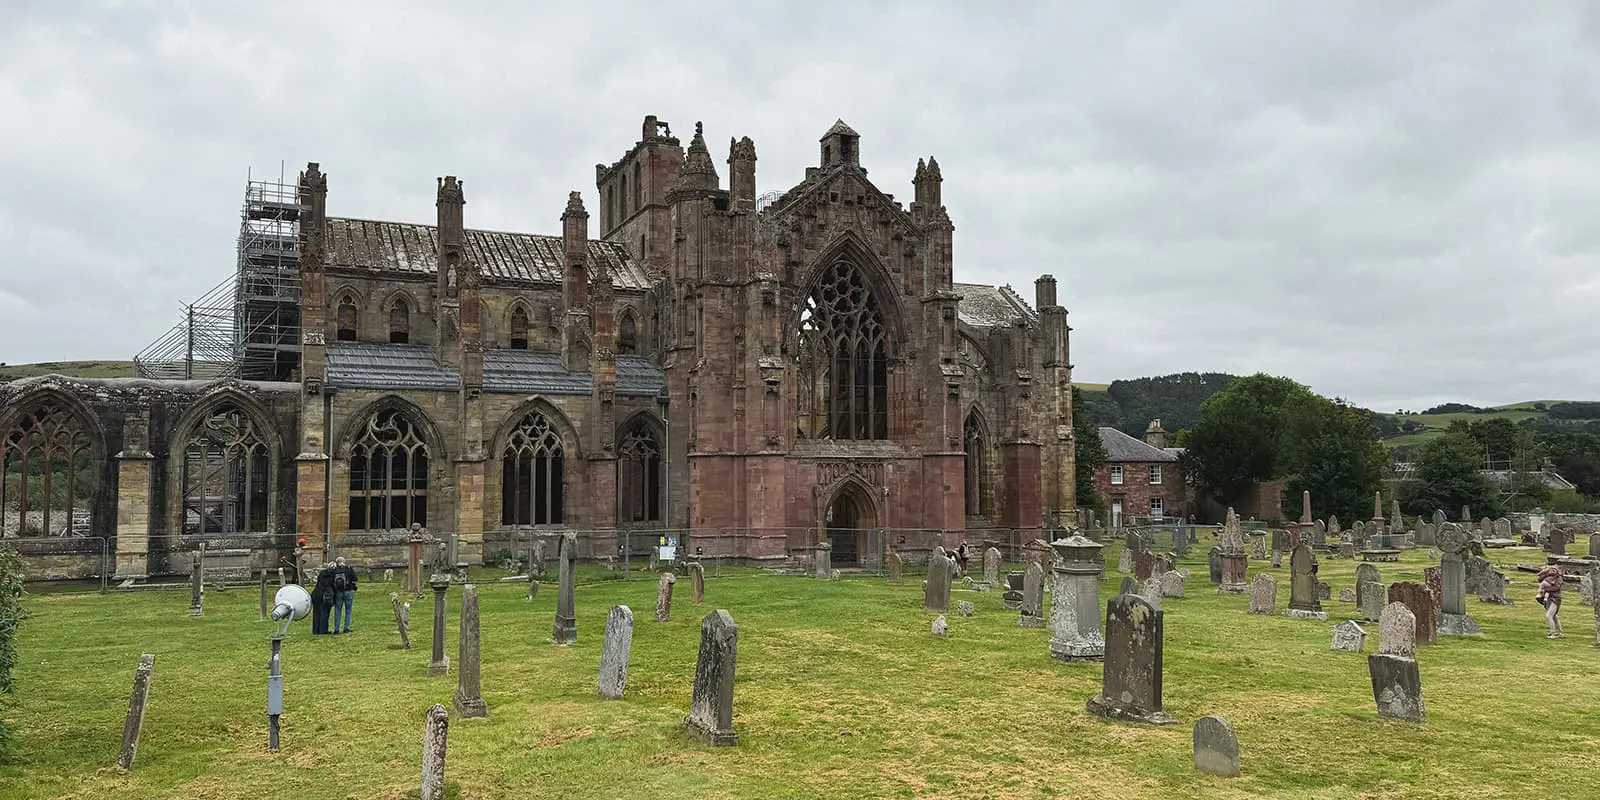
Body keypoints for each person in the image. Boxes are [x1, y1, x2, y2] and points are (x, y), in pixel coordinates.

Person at [329, 556, 359, 634]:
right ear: (344, 561)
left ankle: (336, 628)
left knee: (337, 610)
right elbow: (355, 578)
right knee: (348, 610)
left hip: (338, 592)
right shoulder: (348, 568)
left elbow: (331, 581)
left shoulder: (335, 570)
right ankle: (346, 627)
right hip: (348, 591)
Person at [1536, 563, 1563, 639]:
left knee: (1549, 615)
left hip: (1555, 598)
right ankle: (1559, 632)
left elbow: (1556, 588)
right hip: (1548, 598)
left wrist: (1545, 590)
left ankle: (1553, 632)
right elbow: (1539, 579)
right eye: (1551, 569)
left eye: (1555, 570)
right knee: (1554, 616)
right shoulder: (1547, 577)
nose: (1553, 571)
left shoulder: (1559, 578)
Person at [310, 566, 336, 635]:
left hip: (316, 594)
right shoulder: (331, 576)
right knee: (325, 613)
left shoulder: (322, 574)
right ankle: (323, 630)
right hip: (324, 596)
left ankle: (315, 630)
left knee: (316, 614)